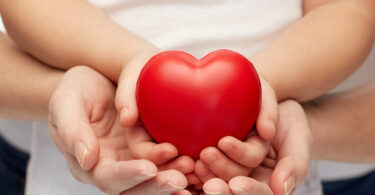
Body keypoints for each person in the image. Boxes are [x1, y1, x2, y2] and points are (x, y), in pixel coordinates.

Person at [0, 0, 374, 194]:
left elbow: (348, 10)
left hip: (278, 166)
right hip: (85, 163)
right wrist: (131, 63)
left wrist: (258, 87)